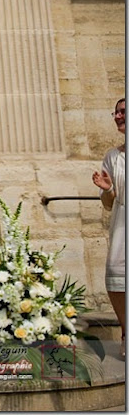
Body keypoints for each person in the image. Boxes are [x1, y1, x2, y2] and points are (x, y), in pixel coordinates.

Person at [92, 97, 125, 359]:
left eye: (123, 112)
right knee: (115, 276)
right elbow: (107, 203)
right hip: (122, 221)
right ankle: (126, 331)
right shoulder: (112, 156)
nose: (117, 116)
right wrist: (108, 190)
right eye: (115, 112)